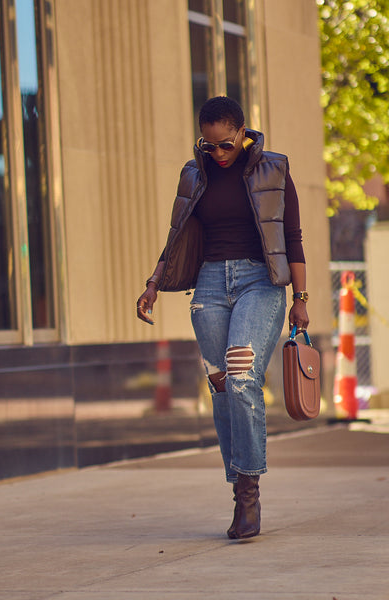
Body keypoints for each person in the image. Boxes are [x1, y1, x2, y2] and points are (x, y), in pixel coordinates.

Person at [136, 96, 309, 540]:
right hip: (210, 283)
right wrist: (154, 283)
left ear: (243, 132)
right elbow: (177, 235)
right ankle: (237, 486)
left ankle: (248, 494)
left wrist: (300, 297)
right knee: (220, 386)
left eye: (226, 145)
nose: (218, 154)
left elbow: (292, 236)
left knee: (242, 375)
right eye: (208, 145)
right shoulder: (194, 174)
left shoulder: (275, 168)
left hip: (260, 282)